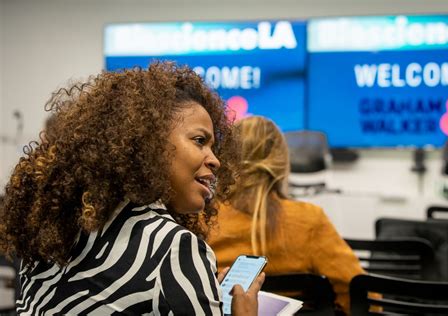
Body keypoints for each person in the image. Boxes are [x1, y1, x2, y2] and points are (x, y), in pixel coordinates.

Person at [0, 62, 264, 315]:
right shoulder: (175, 248)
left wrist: (194, 289)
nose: (215, 160)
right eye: (199, 141)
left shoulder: (53, 228)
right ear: (150, 142)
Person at [207, 116, 364, 315]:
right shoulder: (309, 220)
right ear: (281, 164)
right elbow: (357, 291)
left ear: (225, 159)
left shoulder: (202, 219)